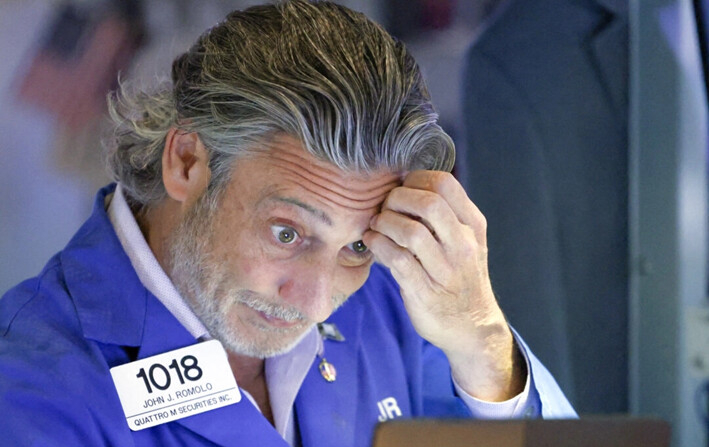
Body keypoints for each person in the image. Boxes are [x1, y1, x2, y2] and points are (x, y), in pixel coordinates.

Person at [0, 1, 575, 446]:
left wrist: (481, 339)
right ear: (186, 163)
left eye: (355, 244)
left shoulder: (391, 305)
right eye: (287, 233)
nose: (318, 300)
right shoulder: (30, 383)